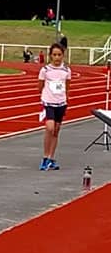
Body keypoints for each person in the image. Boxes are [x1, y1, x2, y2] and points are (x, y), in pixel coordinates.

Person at [37, 42, 71, 171]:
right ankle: (45, 157)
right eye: (54, 55)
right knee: (49, 128)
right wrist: (45, 97)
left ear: (63, 56)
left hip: (61, 103)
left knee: (56, 131)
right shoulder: (45, 70)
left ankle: (51, 158)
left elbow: (67, 86)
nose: (57, 57)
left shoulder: (66, 70)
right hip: (48, 103)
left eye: (59, 55)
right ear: (50, 56)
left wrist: (65, 98)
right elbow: (39, 86)